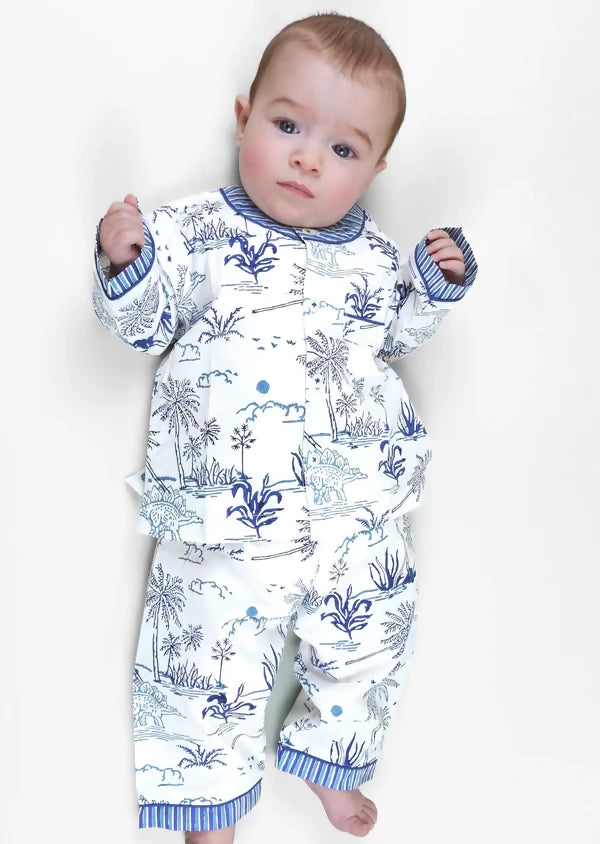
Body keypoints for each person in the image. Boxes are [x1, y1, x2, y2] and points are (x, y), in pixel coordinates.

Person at [93, 12, 477, 842]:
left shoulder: (376, 258)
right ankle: (209, 814)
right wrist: (128, 264)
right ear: (244, 119)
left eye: (343, 149)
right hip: (224, 520)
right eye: (288, 126)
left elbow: (398, 334)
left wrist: (432, 286)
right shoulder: (194, 233)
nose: (308, 159)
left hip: (354, 517)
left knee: (377, 633)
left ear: (374, 169)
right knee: (197, 664)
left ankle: (333, 759)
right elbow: (145, 328)